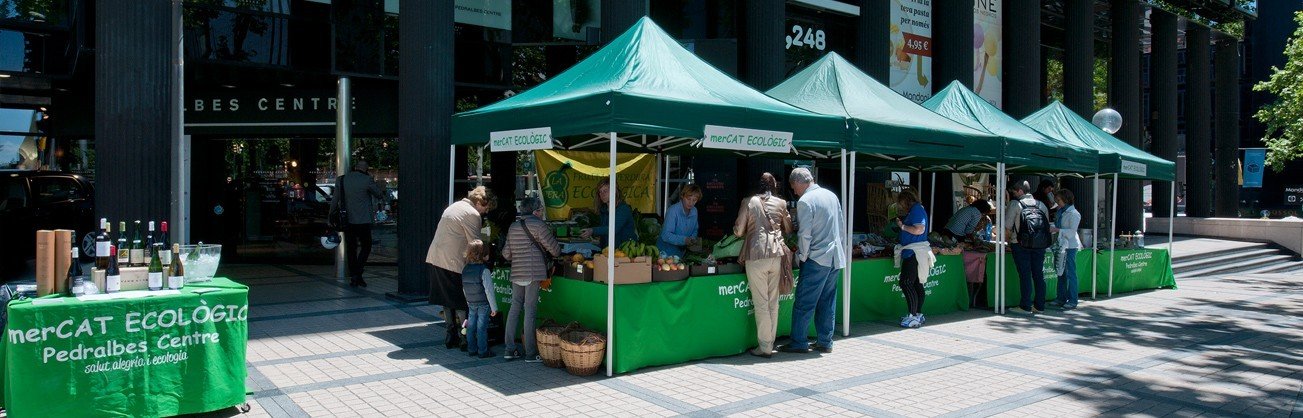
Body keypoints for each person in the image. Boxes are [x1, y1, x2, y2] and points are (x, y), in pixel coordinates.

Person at [781, 167, 845, 354]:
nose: (794, 191)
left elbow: (805, 234)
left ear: (800, 182)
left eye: (794, 187)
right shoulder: (831, 196)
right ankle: (826, 341)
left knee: (804, 302)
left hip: (816, 258)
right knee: (828, 300)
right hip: (834, 256)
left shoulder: (805, 201)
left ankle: (799, 342)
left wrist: (802, 256)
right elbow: (840, 226)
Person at [426, 186, 495, 349]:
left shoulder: (454, 206)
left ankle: (451, 335)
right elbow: (475, 244)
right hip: (454, 262)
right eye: (487, 207)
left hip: (436, 258)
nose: (486, 212)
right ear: (480, 202)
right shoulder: (472, 214)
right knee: (463, 301)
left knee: (447, 299)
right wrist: (488, 255)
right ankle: (465, 338)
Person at [733, 173, 793, 358]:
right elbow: (789, 228)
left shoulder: (748, 201)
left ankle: (765, 347)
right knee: (773, 301)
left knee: (761, 303)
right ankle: (770, 343)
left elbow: (738, 230)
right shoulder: (781, 203)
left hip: (756, 254)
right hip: (777, 255)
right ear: (774, 186)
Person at [501, 197, 560, 363]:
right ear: (535, 211)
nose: (542, 212)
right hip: (533, 273)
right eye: (541, 210)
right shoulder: (539, 225)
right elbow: (554, 250)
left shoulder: (513, 227)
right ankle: (530, 353)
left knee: (514, 309)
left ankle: (509, 349)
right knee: (530, 310)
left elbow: (506, 254)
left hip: (517, 272)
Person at [329, 160, 387, 287]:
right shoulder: (367, 180)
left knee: (351, 248)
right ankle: (358, 272)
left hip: (347, 220)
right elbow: (378, 194)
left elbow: (335, 199)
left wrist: (331, 215)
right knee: (366, 246)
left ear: (355, 168)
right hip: (363, 220)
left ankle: (355, 274)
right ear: (366, 169)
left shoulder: (342, 179)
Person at [1004, 180, 1052, 314]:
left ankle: (1025, 306)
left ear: (1020, 190)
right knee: (1038, 274)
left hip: (1020, 244)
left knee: (1025, 275)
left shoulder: (1015, 204)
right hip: (1039, 245)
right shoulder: (1041, 204)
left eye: (1014, 191)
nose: (1013, 194)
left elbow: (1007, 228)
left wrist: (1007, 242)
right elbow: (1046, 226)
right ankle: (1039, 306)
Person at [892, 189, 935, 328]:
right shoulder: (917, 210)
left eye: (901, 203)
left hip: (914, 252)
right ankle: (917, 314)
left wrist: (902, 226)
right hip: (914, 251)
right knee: (916, 284)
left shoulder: (916, 210)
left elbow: (919, 229)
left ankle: (912, 316)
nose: (901, 207)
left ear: (906, 200)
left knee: (906, 282)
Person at [461, 240, 498, 359]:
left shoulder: (465, 269)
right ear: (483, 254)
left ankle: (471, 349)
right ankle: (483, 351)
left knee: (471, 326)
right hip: (483, 303)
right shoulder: (484, 270)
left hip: (471, 302)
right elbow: (489, 291)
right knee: (481, 328)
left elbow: (464, 288)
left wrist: (468, 301)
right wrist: (494, 308)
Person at [580, 177, 637, 247]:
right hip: (608, 251)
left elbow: (613, 229)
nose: (602, 194)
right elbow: (605, 231)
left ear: (614, 191)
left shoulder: (623, 209)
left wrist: (592, 230)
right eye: (600, 192)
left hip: (626, 250)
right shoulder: (603, 210)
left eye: (605, 191)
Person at [1050, 189, 1082, 310]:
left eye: (1059, 200)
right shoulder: (1061, 212)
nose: (1057, 203)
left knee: (1070, 273)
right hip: (1060, 244)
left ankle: (1073, 300)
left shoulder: (1074, 213)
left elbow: (1072, 232)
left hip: (1070, 246)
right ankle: (1061, 298)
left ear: (1066, 199)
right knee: (1060, 271)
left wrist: (1056, 230)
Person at [658, 184, 703, 257]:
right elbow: (665, 235)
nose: (691, 203)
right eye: (688, 199)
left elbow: (695, 229)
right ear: (682, 196)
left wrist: (692, 239)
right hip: (665, 253)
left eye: (694, 200)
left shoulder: (694, 211)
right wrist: (684, 240)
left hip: (680, 253)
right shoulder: (672, 211)